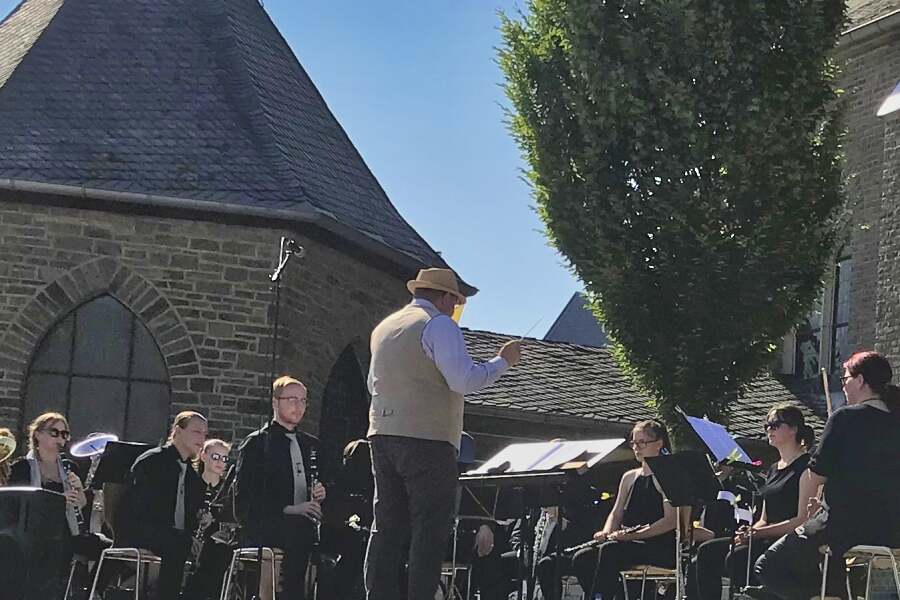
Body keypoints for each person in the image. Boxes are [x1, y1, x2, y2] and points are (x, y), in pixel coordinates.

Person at [364, 267, 521, 600]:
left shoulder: (384, 328)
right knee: (428, 529)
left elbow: (372, 384)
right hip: (428, 439)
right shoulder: (439, 325)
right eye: (457, 302)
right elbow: (463, 380)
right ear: (447, 297)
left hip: (382, 433)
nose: (456, 310)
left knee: (386, 526)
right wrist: (502, 361)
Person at [755, 351, 900, 600]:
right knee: (825, 558)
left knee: (767, 566)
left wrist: (809, 510)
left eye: (845, 379)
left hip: (846, 526)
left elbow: (815, 474)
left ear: (861, 380)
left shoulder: (844, 417)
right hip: (891, 529)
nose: (843, 385)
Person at [689, 404, 815, 600]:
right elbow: (764, 517)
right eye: (767, 426)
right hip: (764, 535)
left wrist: (757, 533)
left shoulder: (807, 468)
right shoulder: (774, 469)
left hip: (789, 540)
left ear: (794, 428)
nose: (768, 430)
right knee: (706, 552)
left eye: (775, 425)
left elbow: (802, 520)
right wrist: (748, 532)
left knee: (737, 558)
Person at [235, 375, 326, 600]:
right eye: (292, 399)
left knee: (349, 539)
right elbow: (245, 500)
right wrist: (292, 509)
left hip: (302, 525)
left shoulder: (310, 444)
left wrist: (320, 493)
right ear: (275, 403)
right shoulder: (257, 443)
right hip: (267, 524)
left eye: (303, 400)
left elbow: (317, 485)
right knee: (298, 531)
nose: (299, 406)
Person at [572, 420, 676, 600]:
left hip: (658, 544)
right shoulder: (629, 477)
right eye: (634, 443)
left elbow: (670, 521)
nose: (637, 448)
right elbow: (616, 512)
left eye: (642, 442)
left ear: (659, 443)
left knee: (611, 551)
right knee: (582, 557)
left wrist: (631, 536)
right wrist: (606, 532)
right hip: (630, 540)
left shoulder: (667, 475)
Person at [113, 411, 208, 600]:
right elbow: (140, 508)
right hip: (140, 532)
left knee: (211, 551)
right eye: (197, 431)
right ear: (178, 432)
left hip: (171, 536)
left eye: (205, 434)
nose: (202, 438)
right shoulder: (153, 461)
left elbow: (189, 515)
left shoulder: (191, 475)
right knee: (178, 543)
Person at [183, 438, 233, 600]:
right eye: (215, 457)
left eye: (224, 458)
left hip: (216, 543)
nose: (221, 462)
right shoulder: (191, 484)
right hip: (190, 538)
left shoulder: (228, 490)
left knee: (219, 555)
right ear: (203, 456)